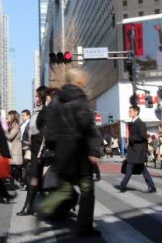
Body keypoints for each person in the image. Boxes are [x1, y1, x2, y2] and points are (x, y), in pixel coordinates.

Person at [36, 69, 102, 237]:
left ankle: (44, 206)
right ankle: (84, 227)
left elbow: (49, 132)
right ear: (79, 82)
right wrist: (94, 149)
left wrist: (57, 147)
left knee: (65, 189)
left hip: (62, 154)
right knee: (87, 190)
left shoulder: (56, 100)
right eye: (83, 80)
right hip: (79, 153)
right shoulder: (80, 99)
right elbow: (87, 126)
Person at [18, 86, 47, 216]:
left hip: (45, 150)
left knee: (53, 180)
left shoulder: (46, 111)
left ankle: (63, 206)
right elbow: (29, 133)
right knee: (34, 178)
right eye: (35, 96)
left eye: (37, 96)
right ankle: (28, 206)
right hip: (35, 151)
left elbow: (45, 133)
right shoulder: (35, 112)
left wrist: (40, 150)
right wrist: (28, 148)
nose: (35, 99)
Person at [115, 105, 157, 193]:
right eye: (129, 111)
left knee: (130, 169)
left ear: (136, 112)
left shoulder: (140, 123)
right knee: (141, 169)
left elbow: (142, 137)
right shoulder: (133, 123)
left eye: (130, 111)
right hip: (134, 150)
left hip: (137, 151)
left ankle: (122, 186)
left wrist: (131, 139)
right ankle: (152, 187)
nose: (129, 113)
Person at [6, 110, 23, 187]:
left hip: (15, 148)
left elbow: (10, 137)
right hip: (12, 148)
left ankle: (20, 181)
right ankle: (13, 183)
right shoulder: (11, 125)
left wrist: (4, 129)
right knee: (11, 166)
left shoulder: (15, 125)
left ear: (12, 116)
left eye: (9, 115)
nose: (7, 117)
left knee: (13, 167)